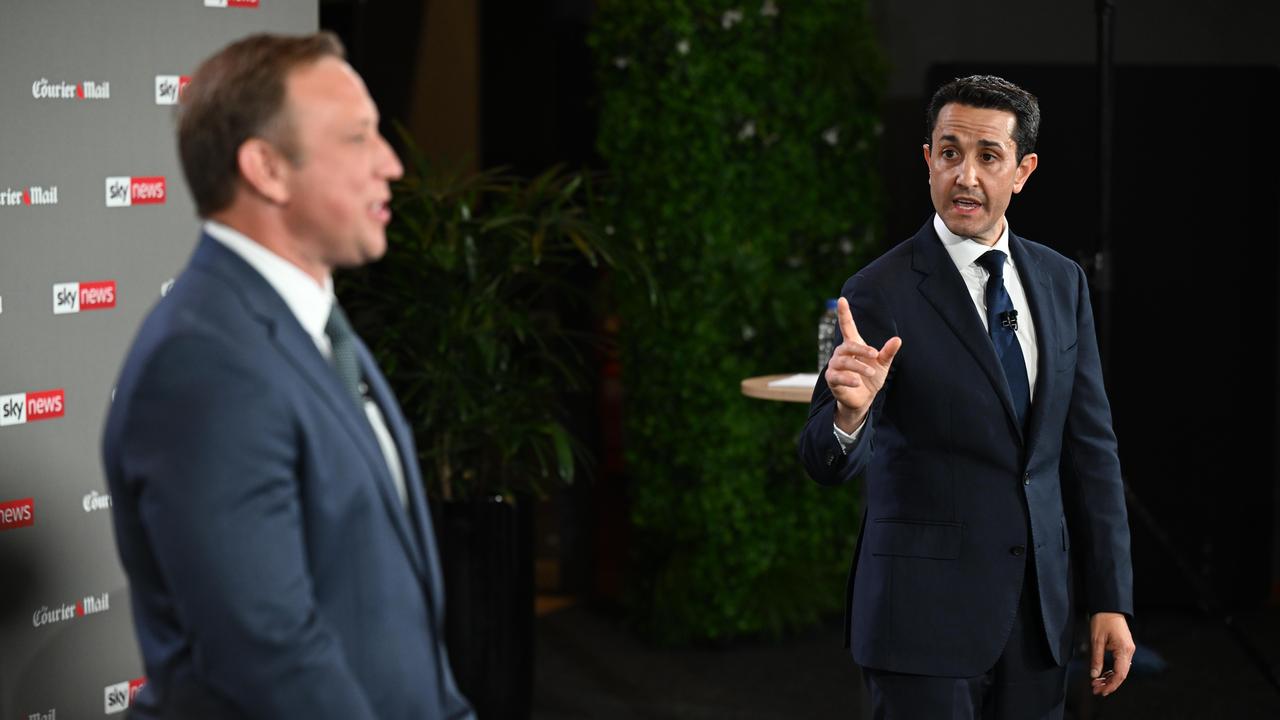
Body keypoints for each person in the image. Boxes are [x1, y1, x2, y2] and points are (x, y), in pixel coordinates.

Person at [102, 32, 473, 719]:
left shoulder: (311, 328)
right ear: (266, 169)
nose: (391, 164)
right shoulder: (204, 363)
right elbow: (267, 655)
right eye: (359, 138)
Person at [799, 75, 1135, 718]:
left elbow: (1092, 449)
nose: (966, 177)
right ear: (928, 158)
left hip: (1037, 618)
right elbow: (822, 459)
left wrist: (1110, 596)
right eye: (950, 153)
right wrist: (849, 414)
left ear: (1023, 170)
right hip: (919, 618)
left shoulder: (1062, 282)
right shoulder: (876, 291)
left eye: (988, 157)